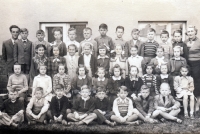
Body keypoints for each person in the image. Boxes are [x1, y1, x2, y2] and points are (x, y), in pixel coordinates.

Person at [184, 25, 200, 112]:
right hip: (188, 64)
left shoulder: (199, 41)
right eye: (188, 31)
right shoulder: (185, 41)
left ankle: (197, 105)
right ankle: (190, 103)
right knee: (187, 83)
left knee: (197, 83)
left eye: (191, 31)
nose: (190, 33)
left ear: (195, 32)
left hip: (197, 64)